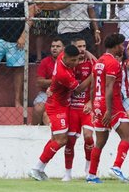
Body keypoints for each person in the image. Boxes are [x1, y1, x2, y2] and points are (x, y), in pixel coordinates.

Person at [28, 44, 82, 181]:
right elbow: (79, 89)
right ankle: (36, 168)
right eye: (74, 61)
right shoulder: (63, 74)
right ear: (66, 58)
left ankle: (39, 169)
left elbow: (71, 47)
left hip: (60, 103)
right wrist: (93, 76)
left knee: (54, 140)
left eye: (78, 60)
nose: (76, 63)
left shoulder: (62, 56)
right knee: (62, 140)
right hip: (57, 107)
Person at [85, 33, 129, 183]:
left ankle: (91, 175)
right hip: (112, 105)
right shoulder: (113, 63)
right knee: (127, 137)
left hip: (98, 104)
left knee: (99, 142)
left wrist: (94, 107)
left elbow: (92, 87)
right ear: (116, 46)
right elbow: (109, 86)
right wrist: (109, 110)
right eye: (122, 45)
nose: (123, 48)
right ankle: (116, 167)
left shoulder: (98, 62)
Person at [63, 37, 96, 181]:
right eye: (79, 46)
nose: (82, 49)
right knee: (70, 141)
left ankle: (89, 167)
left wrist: (90, 101)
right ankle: (67, 173)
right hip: (72, 107)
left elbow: (100, 68)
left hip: (86, 107)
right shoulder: (69, 66)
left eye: (84, 46)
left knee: (88, 136)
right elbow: (76, 90)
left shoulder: (91, 64)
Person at [32, 38, 64, 126]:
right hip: (45, 93)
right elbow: (39, 82)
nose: (54, 48)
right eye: (53, 46)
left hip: (63, 93)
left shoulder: (68, 61)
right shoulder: (45, 62)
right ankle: (33, 131)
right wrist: (57, 81)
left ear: (63, 48)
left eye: (58, 46)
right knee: (38, 109)